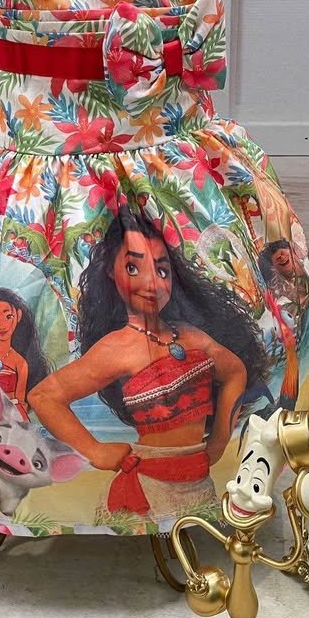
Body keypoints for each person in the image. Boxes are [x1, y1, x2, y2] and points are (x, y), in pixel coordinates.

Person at [30, 208, 267, 520]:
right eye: (133, 267)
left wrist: (220, 437)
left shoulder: (190, 335)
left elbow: (235, 370)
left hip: (198, 479)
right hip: (148, 488)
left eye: (162, 270)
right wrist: (96, 451)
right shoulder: (116, 348)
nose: (151, 282)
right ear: (111, 273)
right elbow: (44, 396)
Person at [0, 288, 49, 421]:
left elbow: (20, 400)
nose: (2, 325)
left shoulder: (20, 363)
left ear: (18, 316)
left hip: (12, 411)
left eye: (8, 317)